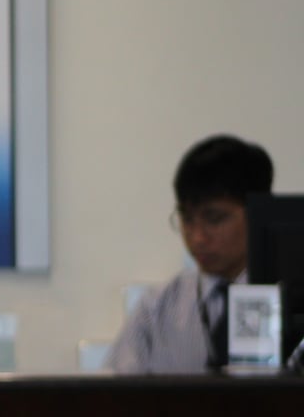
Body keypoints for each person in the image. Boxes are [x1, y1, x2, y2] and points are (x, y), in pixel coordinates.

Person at [106, 134, 274, 374]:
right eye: (187, 219)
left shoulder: (291, 300)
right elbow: (113, 397)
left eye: (214, 219)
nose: (197, 237)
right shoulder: (158, 307)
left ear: (259, 212)